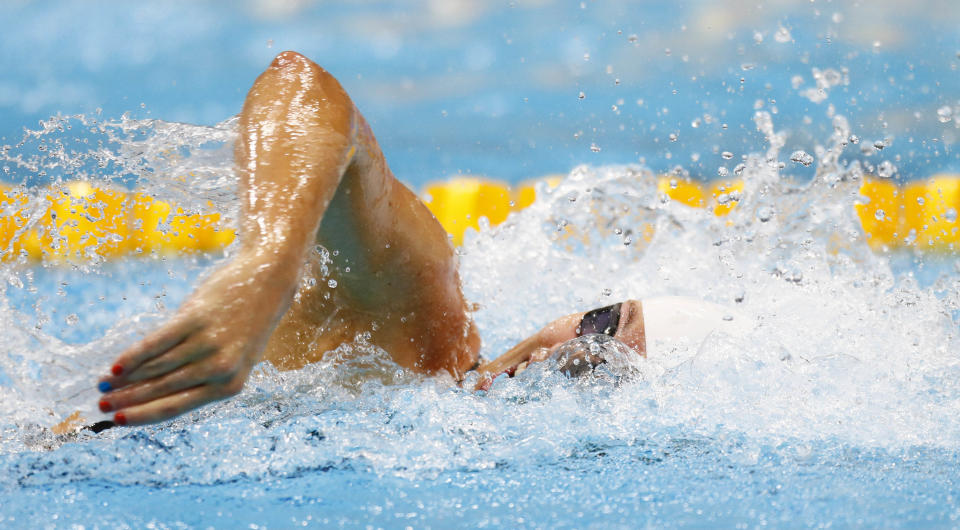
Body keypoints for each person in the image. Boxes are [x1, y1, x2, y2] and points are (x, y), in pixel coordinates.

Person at [92, 52, 737, 427]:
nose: (564, 358)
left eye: (598, 375)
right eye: (599, 325)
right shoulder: (423, 328)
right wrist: (268, 265)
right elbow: (301, 85)